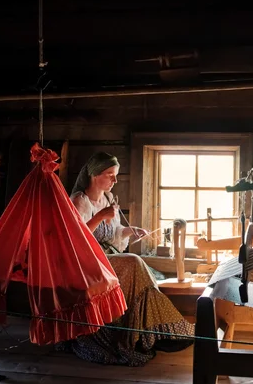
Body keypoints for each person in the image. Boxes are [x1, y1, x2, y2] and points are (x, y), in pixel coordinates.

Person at [57, 152, 195, 366]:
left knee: (137, 267)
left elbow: (114, 232)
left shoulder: (108, 198)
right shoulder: (79, 201)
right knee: (133, 261)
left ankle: (146, 333)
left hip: (107, 256)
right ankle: (139, 334)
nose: (115, 180)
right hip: (86, 262)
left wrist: (130, 231)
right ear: (94, 175)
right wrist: (99, 217)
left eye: (116, 175)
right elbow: (75, 239)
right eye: (110, 175)